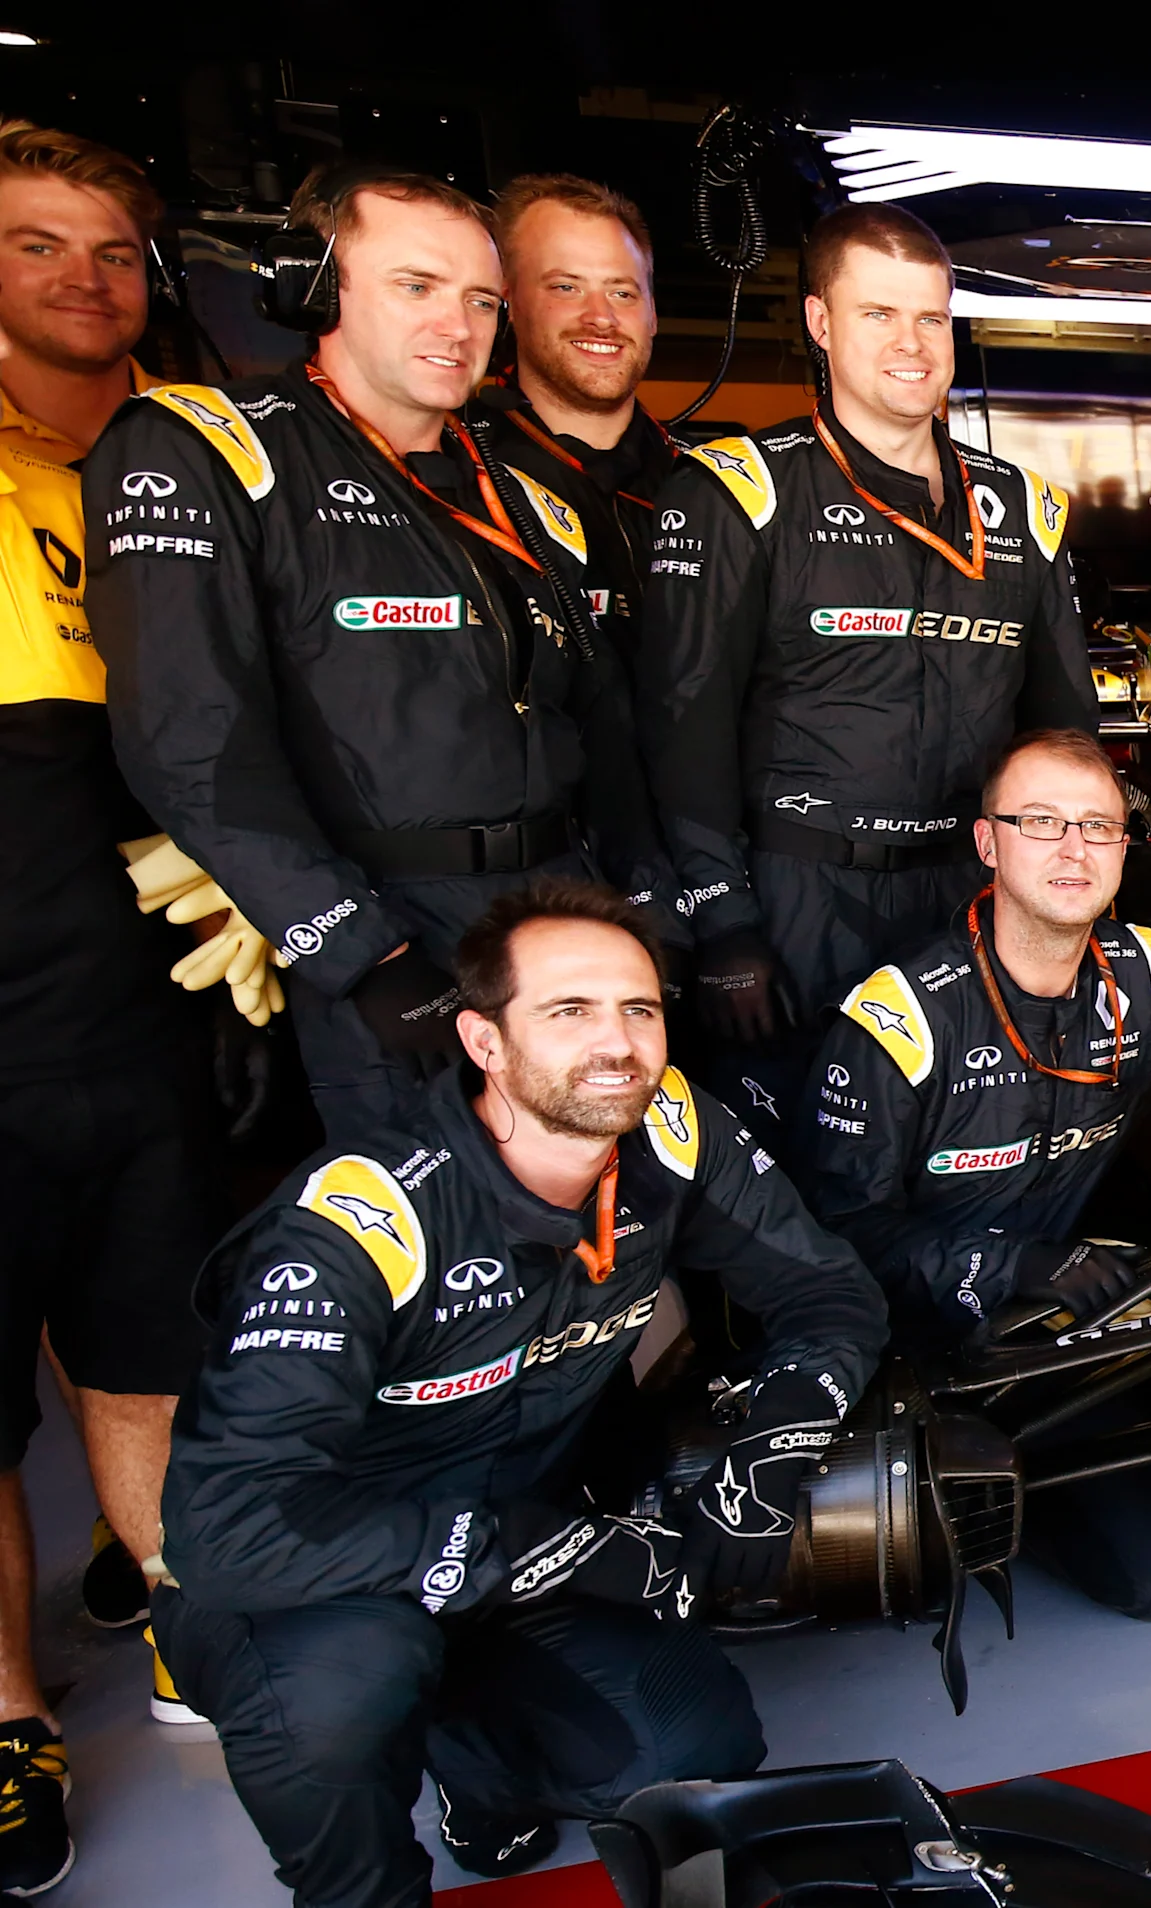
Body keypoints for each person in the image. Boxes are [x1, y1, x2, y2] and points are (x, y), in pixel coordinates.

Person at [154, 878, 887, 1908]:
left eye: (639, 1008)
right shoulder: (366, 1221)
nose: (618, 1042)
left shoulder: (670, 1129)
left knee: (698, 1746)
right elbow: (223, 1534)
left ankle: (482, 1776)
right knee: (344, 1697)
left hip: (523, 1541)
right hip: (313, 1583)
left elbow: (826, 1292)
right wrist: (520, 1547)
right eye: (568, 1010)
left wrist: (778, 1434)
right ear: (485, 1042)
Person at [88, 162, 664, 1147]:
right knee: (438, 1241)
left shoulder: (525, 498)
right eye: (416, 287)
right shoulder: (211, 450)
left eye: (480, 299)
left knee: (607, 1208)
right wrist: (359, 953)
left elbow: (601, 727)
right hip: (392, 922)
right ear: (317, 291)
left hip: (564, 913)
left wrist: (647, 911)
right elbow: (190, 743)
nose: (457, 324)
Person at [806, 729, 1151, 1618]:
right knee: (1149, 1579)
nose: (1072, 849)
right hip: (923, 1342)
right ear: (988, 843)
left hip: (1065, 1315)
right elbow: (837, 1238)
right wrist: (1007, 1264)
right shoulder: (899, 1019)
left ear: (1124, 853)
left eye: (1097, 827)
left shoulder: (1149, 968)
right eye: (1043, 821)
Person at [635, 202, 1097, 1135]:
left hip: (972, 895)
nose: (912, 344)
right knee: (806, 1167)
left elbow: (1065, 736)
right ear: (820, 323)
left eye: (931, 317)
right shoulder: (741, 491)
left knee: (970, 1149)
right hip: (801, 895)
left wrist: (1061, 888)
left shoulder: (1024, 509)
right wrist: (722, 920)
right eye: (878, 314)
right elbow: (682, 732)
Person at [0, 115, 223, 1889]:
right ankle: (8, 1722)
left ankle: (170, 1609)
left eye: (113, 248)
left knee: (153, 1331)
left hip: (174, 990)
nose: (86, 279)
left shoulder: (208, 446)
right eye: (35, 244)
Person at [477, 174, 679, 661]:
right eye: (566, 287)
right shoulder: (461, 472)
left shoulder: (709, 486)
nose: (601, 318)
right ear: (509, 302)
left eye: (622, 293)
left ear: (652, 313)